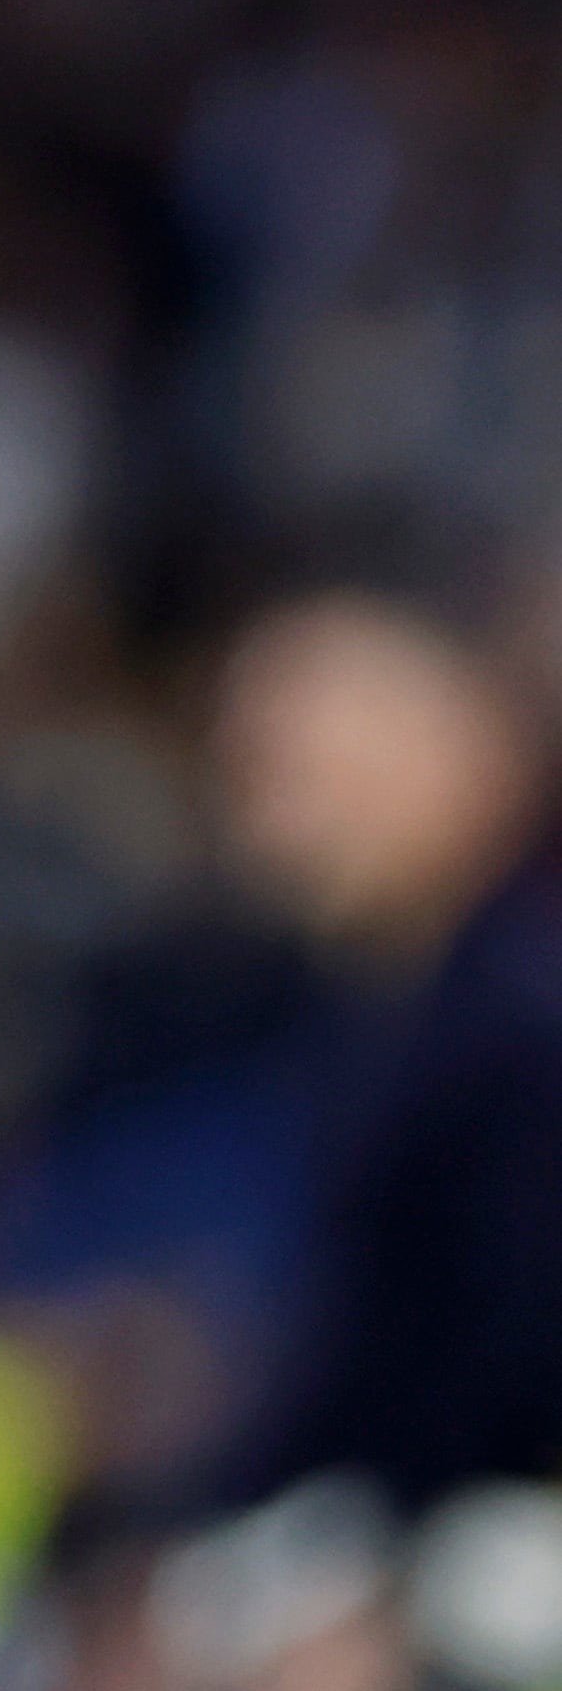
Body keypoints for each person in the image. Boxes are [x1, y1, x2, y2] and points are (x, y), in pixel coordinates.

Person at [208, 587, 562, 1512]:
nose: (276, 832)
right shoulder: (382, 1014)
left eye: (312, 775)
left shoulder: (525, 1013)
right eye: (252, 784)